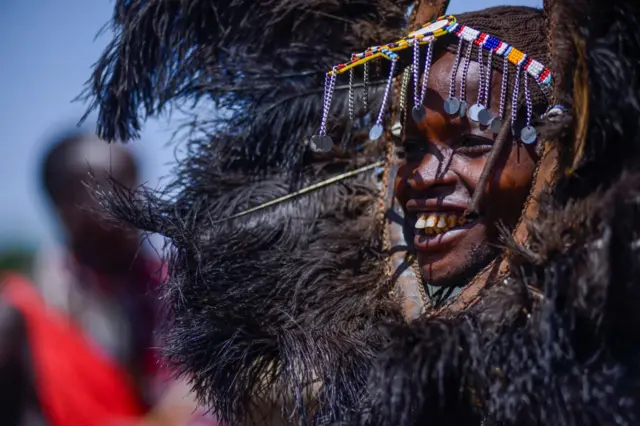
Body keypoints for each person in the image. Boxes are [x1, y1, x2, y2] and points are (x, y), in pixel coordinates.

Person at [81, 0, 640, 425]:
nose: (419, 179)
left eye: (474, 143)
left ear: (557, 154)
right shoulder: (342, 374)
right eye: (411, 147)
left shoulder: (611, 360)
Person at [0, 132, 216, 425]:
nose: (140, 207)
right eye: (116, 192)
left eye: (137, 186)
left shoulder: (182, 289)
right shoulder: (28, 318)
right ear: (65, 208)